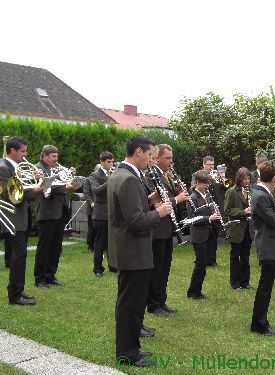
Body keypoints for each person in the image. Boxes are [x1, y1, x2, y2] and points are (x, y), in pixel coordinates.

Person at [108, 135, 172, 368]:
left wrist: (148, 200)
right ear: (138, 151)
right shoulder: (128, 179)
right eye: (149, 155)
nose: (151, 160)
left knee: (128, 303)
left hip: (128, 249)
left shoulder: (120, 175)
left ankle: (129, 349)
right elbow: (135, 220)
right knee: (131, 306)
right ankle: (128, 354)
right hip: (133, 250)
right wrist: (160, 212)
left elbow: (129, 209)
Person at [0, 137, 42, 305]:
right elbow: (11, 196)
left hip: (21, 217)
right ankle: (14, 294)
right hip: (13, 218)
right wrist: (36, 189)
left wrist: (38, 183)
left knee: (21, 256)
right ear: (12, 151)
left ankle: (19, 290)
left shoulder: (16, 168)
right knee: (18, 256)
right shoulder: (3, 168)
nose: (25, 154)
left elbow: (23, 191)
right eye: (22, 151)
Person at [145, 144, 189, 316]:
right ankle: (153, 304)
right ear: (157, 158)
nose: (171, 161)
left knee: (165, 266)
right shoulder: (151, 174)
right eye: (168, 158)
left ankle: (161, 301)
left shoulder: (167, 174)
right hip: (158, 227)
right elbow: (155, 201)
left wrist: (179, 191)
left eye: (172, 158)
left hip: (169, 227)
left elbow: (168, 195)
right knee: (156, 268)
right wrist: (177, 198)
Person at [34, 145, 80, 288]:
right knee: (44, 247)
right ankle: (39, 279)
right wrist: (67, 186)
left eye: (56, 156)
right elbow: (48, 186)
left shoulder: (57, 168)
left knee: (56, 247)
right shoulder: (38, 168)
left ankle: (50, 275)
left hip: (60, 211)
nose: (56, 159)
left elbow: (61, 182)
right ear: (45, 156)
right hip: (47, 212)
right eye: (53, 156)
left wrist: (70, 177)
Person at [249, 160, 275, 336]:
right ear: (274, 179)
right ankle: (258, 324)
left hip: (271, 243)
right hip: (267, 244)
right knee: (265, 286)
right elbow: (274, 220)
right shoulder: (260, 195)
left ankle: (263, 321)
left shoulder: (263, 193)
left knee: (267, 285)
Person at [186, 170, 221, 299]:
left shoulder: (205, 195)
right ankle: (192, 292)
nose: (208, 186)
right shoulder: (193, 197)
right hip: (198, 235)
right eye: (205, 183)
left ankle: (198, 291)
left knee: (204, 263)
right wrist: (209, 218)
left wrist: (214, 210)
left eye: (209, 183)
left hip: (207, 233)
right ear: (198, 182)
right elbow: (192, 218)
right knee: (200, 264)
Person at [224, 167, 254, 290]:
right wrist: (243, 211)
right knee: (235, 256)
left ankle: (245, 282)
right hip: (237, 228)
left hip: (248, 227)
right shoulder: (232, 191)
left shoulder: (252, 190)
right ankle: (235, 283)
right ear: (239, 179)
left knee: (246, 256)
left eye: (248, 179)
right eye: (244, 179)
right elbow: (227, 210)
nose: (247, 181)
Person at [89, 152, 114, 277]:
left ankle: (113, 265)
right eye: (109, 162)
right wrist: (110, 181)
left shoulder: (112, 173)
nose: (111, 164)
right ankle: (98, 269)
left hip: (112, 213)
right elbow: (96, 190)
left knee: (112, 242)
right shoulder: (95, 175)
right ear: (102, 162)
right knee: (100, 242)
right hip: (100, 214)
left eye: (112, 161)